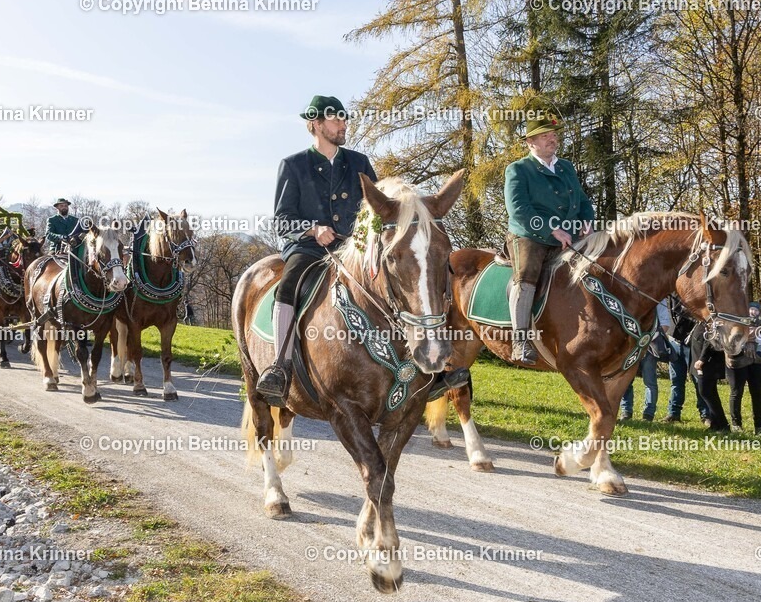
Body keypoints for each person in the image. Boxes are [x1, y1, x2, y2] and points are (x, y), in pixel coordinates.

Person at [255, 94, 468, 407]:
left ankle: (431, 368)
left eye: (344, 118)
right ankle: (280, 367)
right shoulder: (293, 165)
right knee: (289, 286)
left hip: (353, 249)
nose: (343, 124)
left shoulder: (359, 163)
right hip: (309, 248)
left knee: (407, 280)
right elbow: (283, 220)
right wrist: (314, 229)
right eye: (335, 119)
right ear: (315, 124)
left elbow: (377, 212)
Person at [504, 108, 595, 364]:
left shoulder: (566, 167)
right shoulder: (518, 169)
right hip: (529, 236)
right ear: (530, 142)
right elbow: (519, 210)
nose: (552, 139)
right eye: (545, 135)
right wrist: (550, 229)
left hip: (570, 235)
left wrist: (587, 222)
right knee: (527, 275)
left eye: (554, 135)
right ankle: (520, 341)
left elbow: (583, 201)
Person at [620, 301, 673, 421]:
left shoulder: (659, 299)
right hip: (630, 346)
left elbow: (665, 324)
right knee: (626, 381)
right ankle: (626, 411)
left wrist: (648, 341)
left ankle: (648, 413)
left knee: (650, 382)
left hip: (650, 346)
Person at [726, 302, 761, 435]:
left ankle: (759, 427)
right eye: (750, 309)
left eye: (755, 310)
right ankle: (736, 425)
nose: (752, 312)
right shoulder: (734, 319)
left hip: (757, 359)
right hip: (738, 358)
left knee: (757, 393)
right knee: (736, 392)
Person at [663, 294, 710, 423]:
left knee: (698, 381)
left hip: (692, 344)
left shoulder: (696, 299)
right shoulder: (670, 297)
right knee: (676, 381)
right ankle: (673, 413)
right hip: (674, 342)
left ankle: (705, 414)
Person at [691, 321, 729, 432]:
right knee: (710, 392)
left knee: (705, 391)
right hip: (702, 360)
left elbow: (711, 341)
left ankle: (723, 424)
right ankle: (716, 424)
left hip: (708, 362)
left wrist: (702, 359)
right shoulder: (702, 320)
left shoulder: (713, 320)